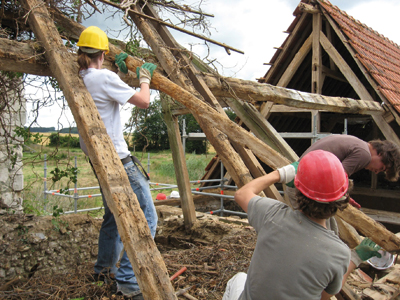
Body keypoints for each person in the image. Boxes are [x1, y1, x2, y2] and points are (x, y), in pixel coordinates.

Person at [223, 150, 381, 300]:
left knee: (238, 279)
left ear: (297, 189)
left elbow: (242, 194)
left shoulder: (272, 215)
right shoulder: (339, 253)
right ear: (343, 197)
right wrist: (356, 257)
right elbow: (324, 296)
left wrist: (281, 173)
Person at [76, 26, 158, 299]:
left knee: (113, 215)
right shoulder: (104, 77)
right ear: (103, 53)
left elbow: (109, 87)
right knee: (147, 216)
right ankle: (127, 279)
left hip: (96, 158)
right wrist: (144, 78)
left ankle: (103, 270)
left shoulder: (81, 76)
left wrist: (123, 74)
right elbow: (144, 101)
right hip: (118, 159)